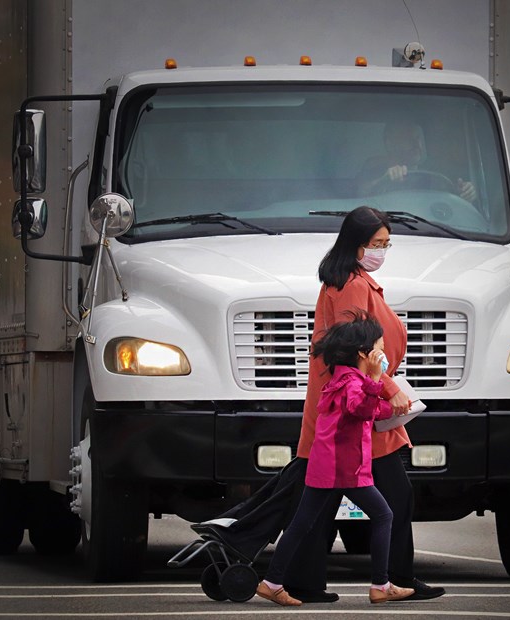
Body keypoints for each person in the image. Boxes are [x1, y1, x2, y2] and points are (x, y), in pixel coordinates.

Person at [191, 206, 445, 603]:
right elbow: (350, 345)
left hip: (344, 408)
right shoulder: (351, 285)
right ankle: (392, 578)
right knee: (388, 497)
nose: (382, 251)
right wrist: (388, 386)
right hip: (353, 407)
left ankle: (298, 579)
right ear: (355, 245)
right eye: (376, 244)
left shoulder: (352, 280)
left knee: (316, 499)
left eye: (386, 244)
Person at [255, 313, 415, 606]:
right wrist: (378, 381)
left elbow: (367, 410)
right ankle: (381, 585)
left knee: (301, 524)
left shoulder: (343, 378)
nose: (383, 355)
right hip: (344, 468)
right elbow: (360, 408)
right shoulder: (353, 383)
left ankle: (271, 582)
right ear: (363, 354)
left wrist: (394, 408)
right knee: (384, 515)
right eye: (379, 349)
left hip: (325, 466)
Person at [357, 121, 477, 202]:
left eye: (417, 138)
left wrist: (465, 193)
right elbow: (360, 195)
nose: (417, 145)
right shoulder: (374, 168)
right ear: (390, 143)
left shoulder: (432, 175)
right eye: (408, 139)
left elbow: (446, 204)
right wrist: (384, 180)